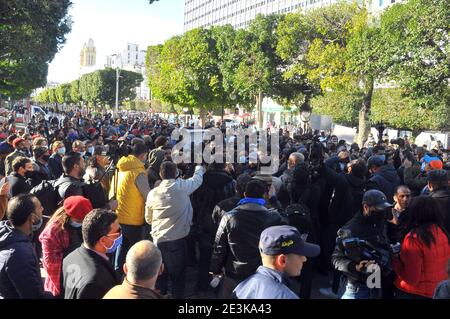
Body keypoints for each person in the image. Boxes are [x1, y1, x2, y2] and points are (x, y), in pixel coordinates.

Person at [210, 180, 284, 298]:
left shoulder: (229, 217)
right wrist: (274, 200)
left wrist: (215, 269)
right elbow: (286, 223)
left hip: (234, 273)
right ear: (264, 195)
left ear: (244, 194)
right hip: (260, 273)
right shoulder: (273, 217)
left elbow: (219, 246)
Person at [146, 161, 205, 298]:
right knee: (178, 279)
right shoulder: (182, 187)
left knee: (160, 279)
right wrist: (199, 168)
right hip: (177, 243)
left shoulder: (152, 194)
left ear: (160, 175)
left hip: (157, 241)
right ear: (176, 173)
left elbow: (148, 218)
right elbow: (197, 180)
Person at [332, 189, 393, 299]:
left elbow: (384, 243)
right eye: (378, 209)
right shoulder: (349, 230)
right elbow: (336, 259)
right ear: (366, 207)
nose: (381, 213)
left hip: (375, 282)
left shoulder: (380, 223)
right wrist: (356, 267)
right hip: (355, 287)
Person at [234, 225, 320, 299]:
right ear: (282, 260)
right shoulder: (287, 297)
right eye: (300, 254)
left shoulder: (243, 287)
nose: (304, 259)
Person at [393, 196, 450, 299]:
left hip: (414, 293)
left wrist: (395, 261)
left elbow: (411, 279)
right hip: (438, 291)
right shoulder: (443, 232)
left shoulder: (414, 238)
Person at [39, 196, 93, 297]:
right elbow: (50, 263)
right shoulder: (52, 232)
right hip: (63, 281)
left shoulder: (87, 224)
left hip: (83, 277)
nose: (81, 223)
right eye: (78, 221)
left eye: (83, 221)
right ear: (68, 215)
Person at [110, 142, 150, 278]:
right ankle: (132, 277)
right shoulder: (138, 172)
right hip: (134, 219)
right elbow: (148, 196)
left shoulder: (120, 169)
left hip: (119, 216)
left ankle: (117, 274)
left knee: (121, 247)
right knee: (133, 252)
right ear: (143, 155)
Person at [61, 209, 121, 299]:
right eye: (118, 232)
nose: (120, 235)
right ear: (103, 240)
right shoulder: (95, 282)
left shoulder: (70, 258)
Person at [0, 194, 50, 298]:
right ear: (32, 218)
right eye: (40, 207)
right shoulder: (20, 254)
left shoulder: (6, 233)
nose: (43, 209)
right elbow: (32, 294)